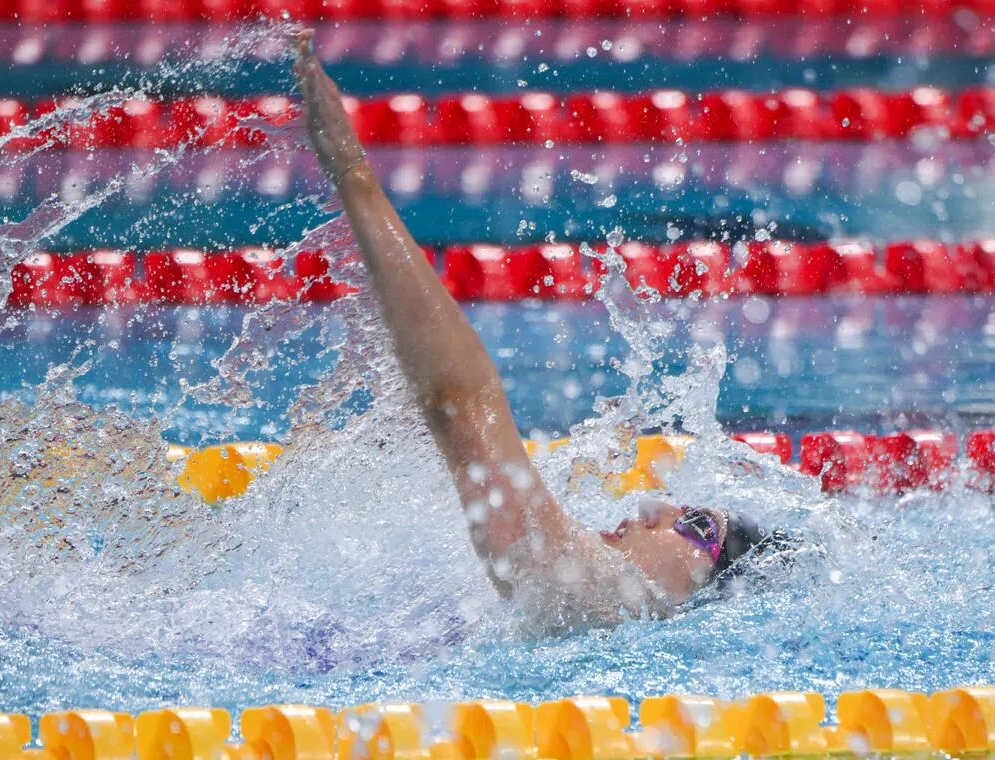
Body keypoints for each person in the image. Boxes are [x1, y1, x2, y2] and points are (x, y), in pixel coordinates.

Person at [293, 30, 787, 629]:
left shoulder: (605, 602)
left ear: (706, 598)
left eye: (698, 527)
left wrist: (353, 175)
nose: (656, 505)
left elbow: (459, 405)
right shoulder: (600, 613)